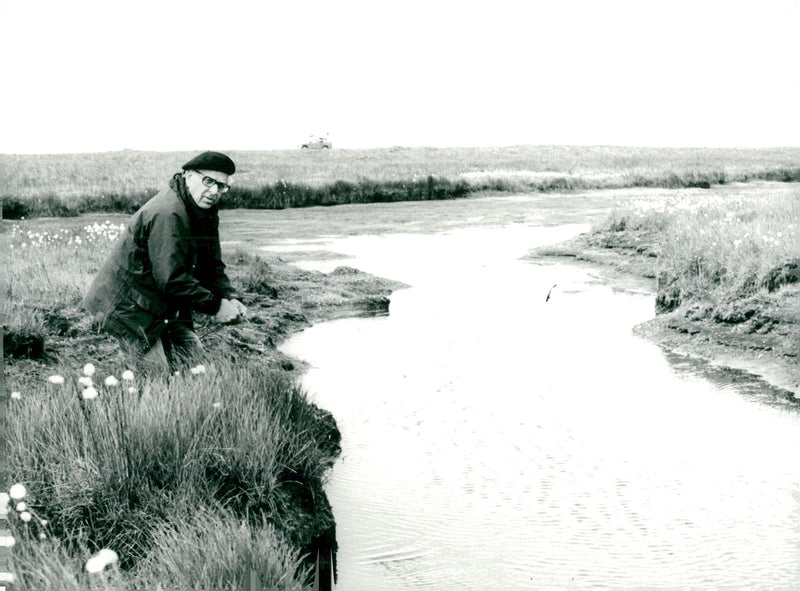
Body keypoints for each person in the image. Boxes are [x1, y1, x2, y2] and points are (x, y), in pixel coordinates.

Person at [83, 151, 247, 371]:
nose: (214, 191)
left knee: (192, 358)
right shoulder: (168, 214)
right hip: (127, 307)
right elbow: (171, 280)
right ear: (189, 175)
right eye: (208, 181)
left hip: (159, 304)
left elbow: (211, 265)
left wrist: (229, 296)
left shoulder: (204, 210)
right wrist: (216, 307)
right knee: (156, 375)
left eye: (222, 186)